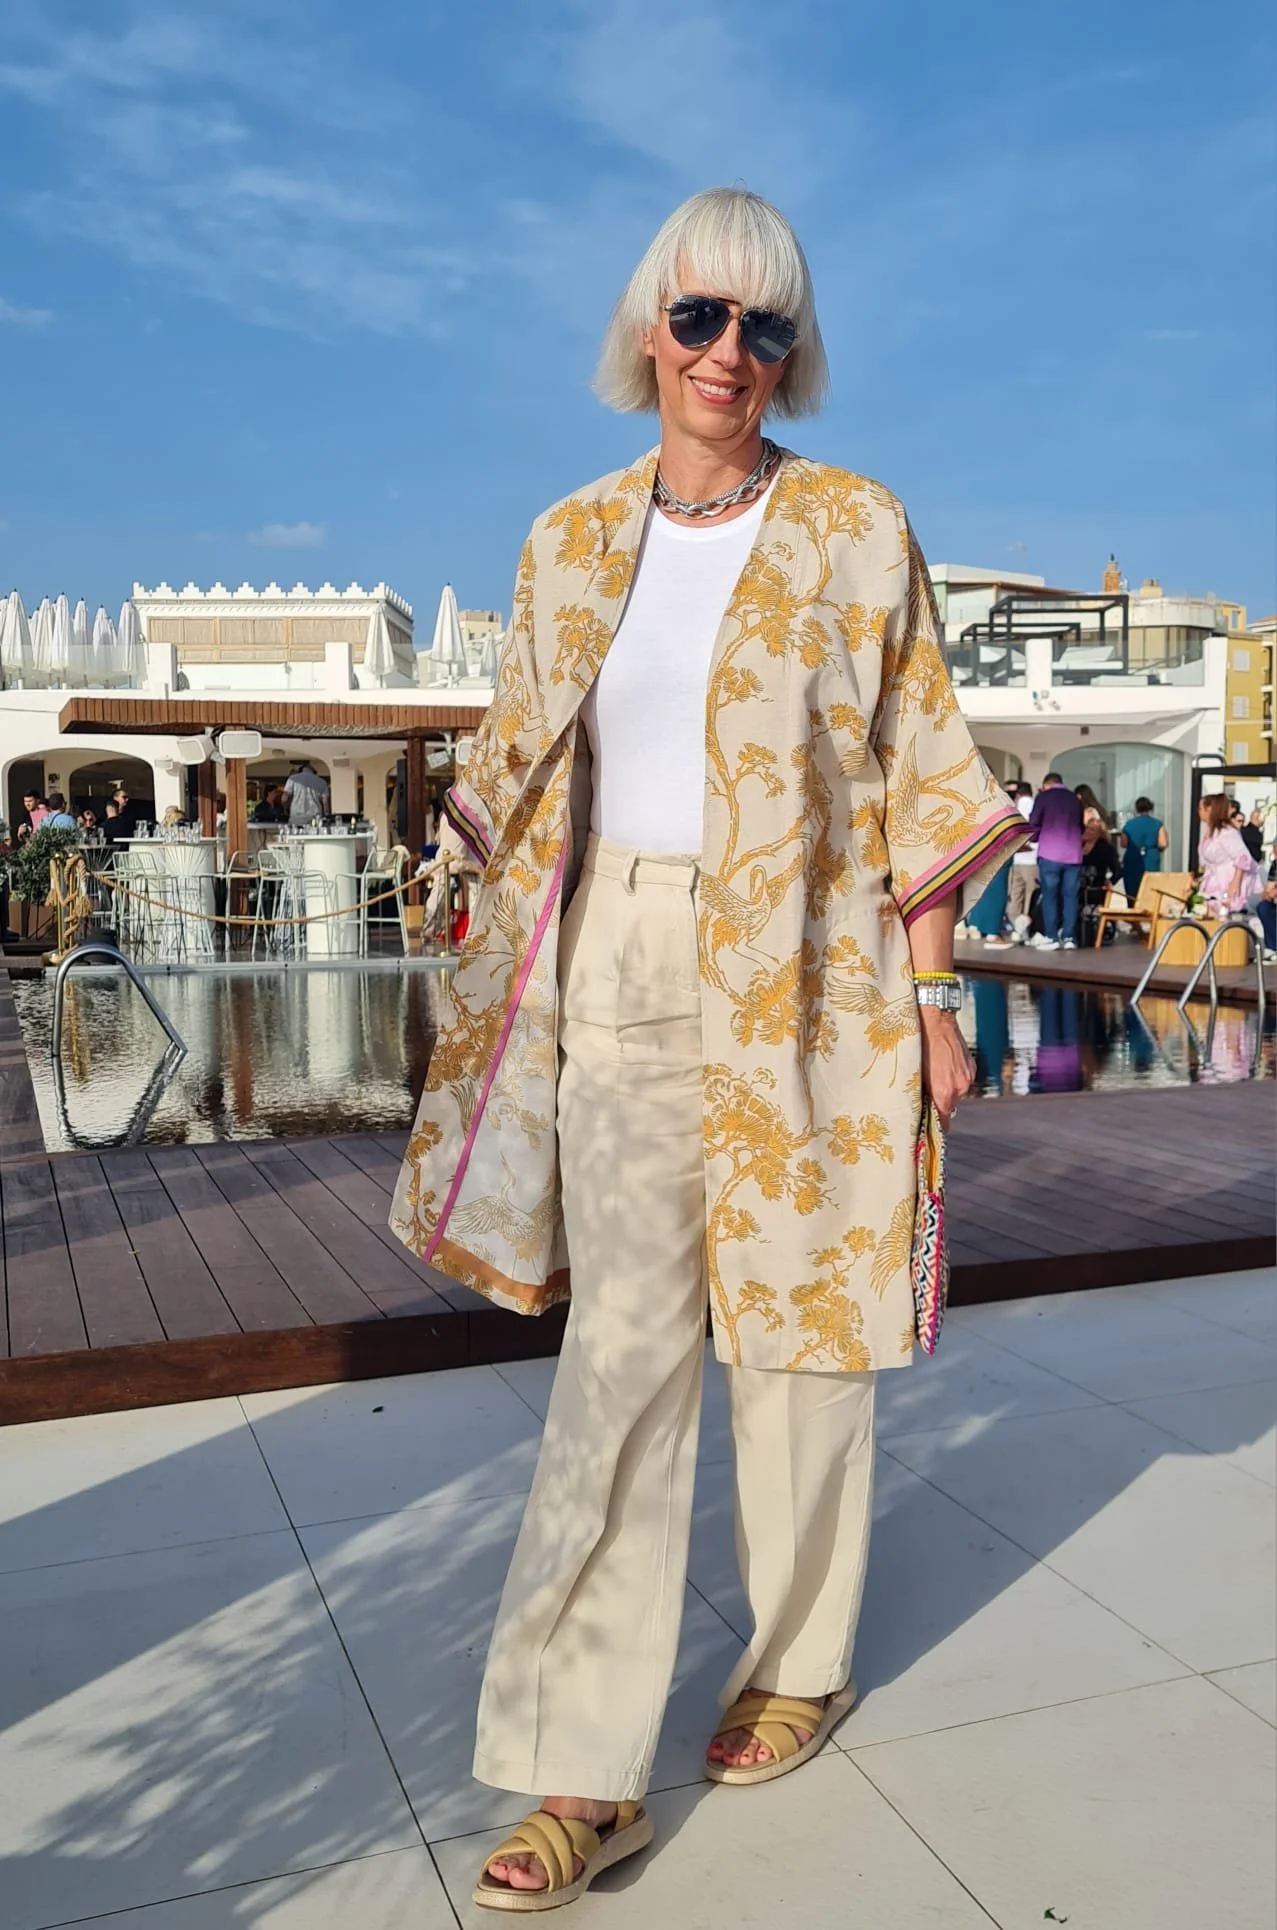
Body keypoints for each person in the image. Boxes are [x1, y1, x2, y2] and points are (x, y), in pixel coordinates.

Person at [389, 186, 1026, 1912]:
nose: (727, 354)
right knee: (622, 1365)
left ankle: (800, 1657)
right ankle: (579, 1769)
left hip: (813, 971)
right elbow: (516, 777)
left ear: (791, 354)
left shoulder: (854, 531)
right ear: (644, 332)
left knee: (804, 1334)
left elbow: (915, 767)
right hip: (623, 967)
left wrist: (940, 995)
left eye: (763, 328)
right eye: (697, 320)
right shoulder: (568, 542)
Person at [1028, 774, 1084, 950]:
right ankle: (1069, 937)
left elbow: (1034, 822)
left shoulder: (1043, 797)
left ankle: (1051, 936)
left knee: (1050, 896)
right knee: (1071, 897)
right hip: (1073, 855)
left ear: (1047, 784)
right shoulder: (1075, 799)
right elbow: (1080, 826)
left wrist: (1035, 837)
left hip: (1050, 853)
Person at [1198, 793, 1262, 916]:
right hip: (1214, 878)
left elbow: (1242, 856)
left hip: (1228, 878)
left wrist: (1235, 881)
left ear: (1210, 810)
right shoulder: (1210, 832)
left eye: (1201, 809)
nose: (1199, 812)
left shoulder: (1227, 832)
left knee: (1225, 913)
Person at [1080, 807, 1122, 945]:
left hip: (1096, 887)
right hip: (1077, 884)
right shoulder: (1077, 845)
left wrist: (1110, 881)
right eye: (1086, 828)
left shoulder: (1105, 848)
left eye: (1091, 830)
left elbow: (1117, 870)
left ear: (1098, 833)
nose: (1086, 831)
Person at [1120, 795, 1166, 900]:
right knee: (1151, 890)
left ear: (1136, 808)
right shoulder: (1157, 824)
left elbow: (1123, 843)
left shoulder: (1129, 824)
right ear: (1151, 808)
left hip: (1132, 857)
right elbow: (1163, 843)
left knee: (1132, 892)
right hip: (1150, 858)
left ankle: (1133, 913)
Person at [1008, 780, 1038, 941]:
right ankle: (1025, 931)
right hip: (1032, 859)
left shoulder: (1015, 808)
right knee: (1030, 896)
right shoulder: (1034, 806)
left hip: (1017, 858)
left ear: (1018, 794)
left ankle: (1015, 927)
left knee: (1015, 896)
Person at [283, 761, 329, 826]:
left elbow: (284, 798)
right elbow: (325, 803)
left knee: (295, 835)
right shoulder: (322, 782)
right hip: (315, 817)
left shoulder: (292, 779)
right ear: (314, 772)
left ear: (301, 770)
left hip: (296, 817)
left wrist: (285, 810)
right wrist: (326, 816)